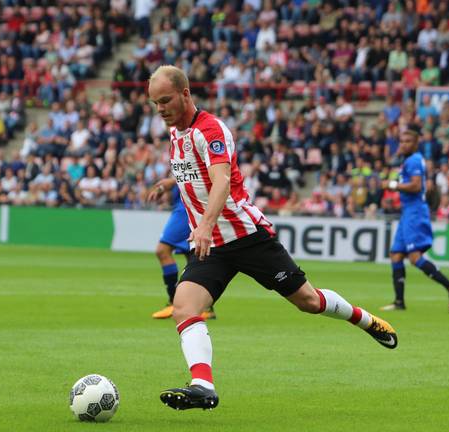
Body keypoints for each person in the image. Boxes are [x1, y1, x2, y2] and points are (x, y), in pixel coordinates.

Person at [147, 65, 397, 411]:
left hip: (248, 237)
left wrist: (204, 224)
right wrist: (169, 182)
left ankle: (365, 319)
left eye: (165, 100)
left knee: (308, 302)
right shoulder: (176, 134)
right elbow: (196, 170)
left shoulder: (212, 129)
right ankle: (203, 385)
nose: (160, 109)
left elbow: (221, 180)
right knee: (184, 307)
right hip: (214, 247)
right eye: (155, 103)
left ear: (185, 94)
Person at [381, 125, 449, 312]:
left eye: (407, 141)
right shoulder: (408, 160)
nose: (403, 144)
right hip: (407, 212)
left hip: (415, 212)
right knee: (396, 255)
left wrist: (393, 184)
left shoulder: (415, 160)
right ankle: (399, 302)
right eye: (401, 141)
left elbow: (417, 186)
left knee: (415, 257)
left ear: (416, 143)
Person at [147, 178, 215, 319]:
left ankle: (174, 302)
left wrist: (164, 186)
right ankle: (205, 307)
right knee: (191, 254)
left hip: (185, 207)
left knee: (162, 250)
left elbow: (181, 177)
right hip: (190, 204)